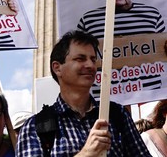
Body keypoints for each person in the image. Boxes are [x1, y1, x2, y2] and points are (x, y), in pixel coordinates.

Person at [16, 30, 150, 156]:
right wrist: (86, 154)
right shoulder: (35, 127)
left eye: (93, 59)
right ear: (57, 68)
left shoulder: (117, 115)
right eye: (80, 59)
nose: (91, 66)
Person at [77, 0, 167, 90]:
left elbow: (164, 51)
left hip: (149, 91)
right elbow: (78, 56)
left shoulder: (152, 14)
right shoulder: (88, 20)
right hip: (105, 96)